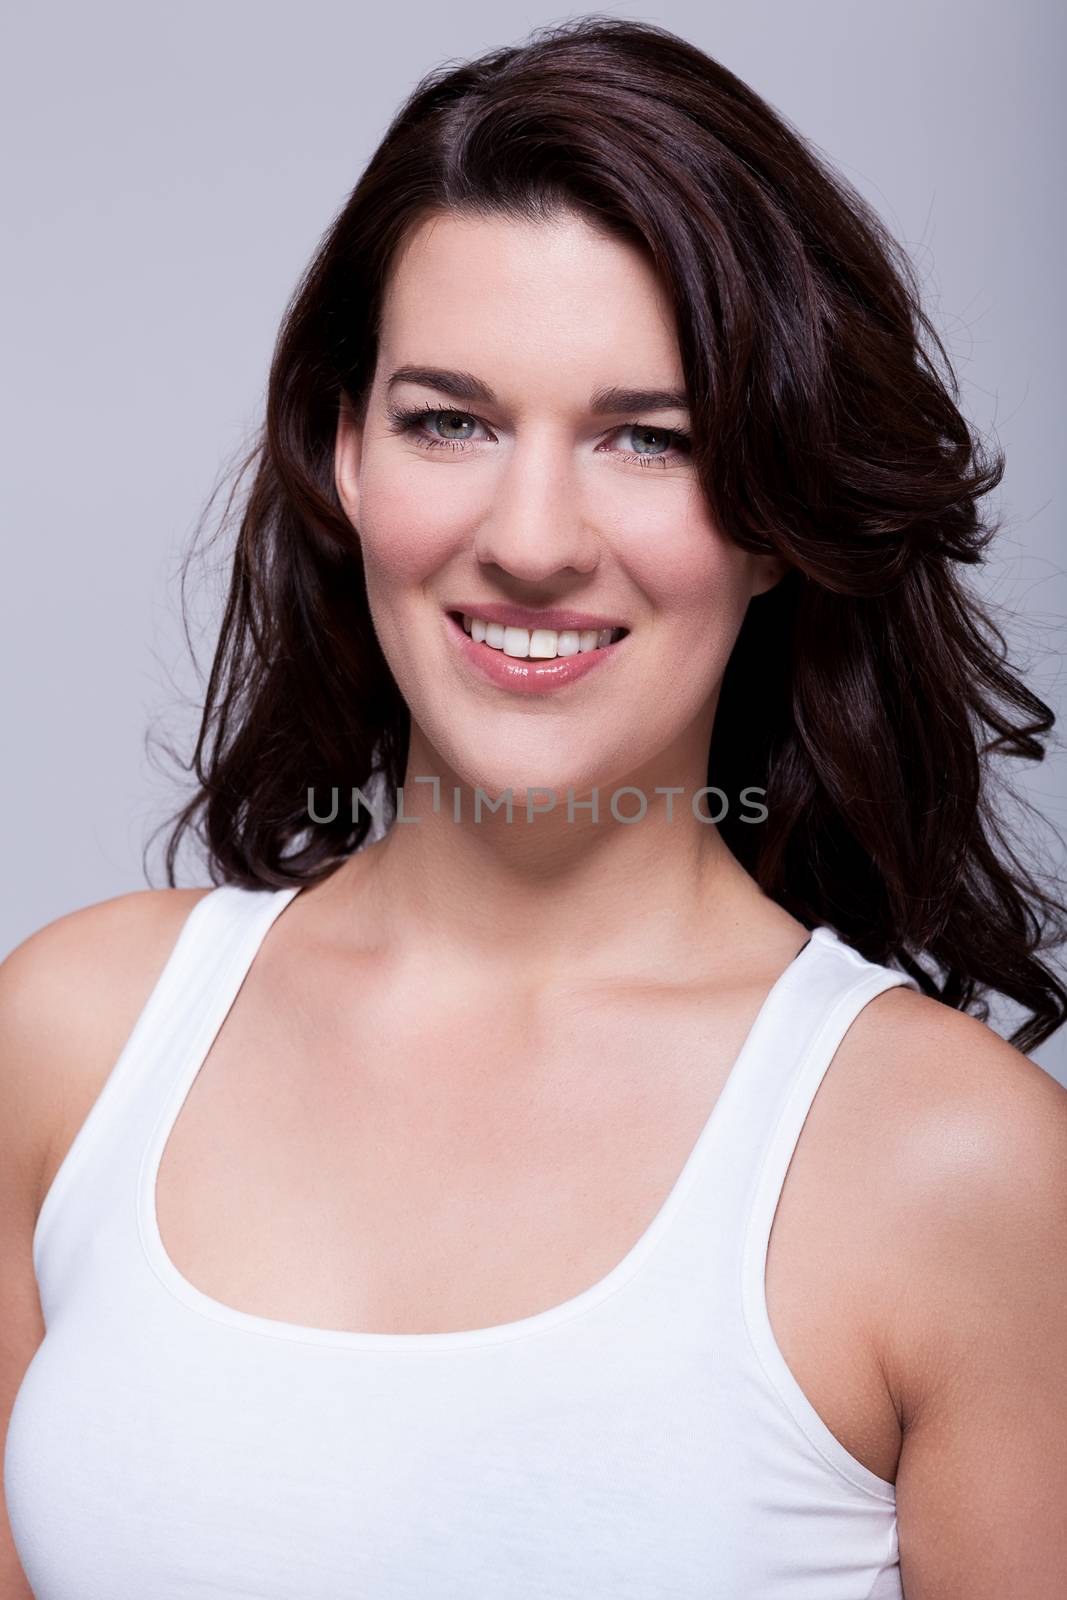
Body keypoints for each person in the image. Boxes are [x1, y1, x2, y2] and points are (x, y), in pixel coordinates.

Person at [3, 15, 1066, 1598]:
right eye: (453, 421)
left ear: (778, 516)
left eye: (650, 437)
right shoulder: (71, 1036)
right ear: (342, 450)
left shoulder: (954, 1165)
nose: (533, 538)